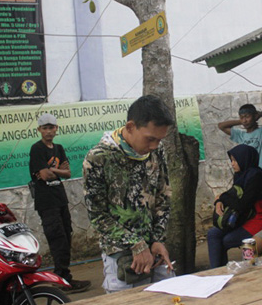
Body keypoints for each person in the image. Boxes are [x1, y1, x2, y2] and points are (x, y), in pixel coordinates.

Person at [83, 95, 175, 293]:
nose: (154, 146)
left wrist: (158, 238)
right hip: (122, 256)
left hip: (155, 251)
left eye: (159, 140)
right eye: (150, 139)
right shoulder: (99, 158)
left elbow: (163, 197)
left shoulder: (157, 152)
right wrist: (136, 244)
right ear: (131, 126)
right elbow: (98, 215)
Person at [29, 113, 91, 293]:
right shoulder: (37, 149)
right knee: (57, 239)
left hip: (60, 198)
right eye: (45, 128)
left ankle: (65, 276)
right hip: (46, 201)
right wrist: (55, 171)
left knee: (66, 235)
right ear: (39, 130)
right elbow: (45, 175)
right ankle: (61, 280)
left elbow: (68, 173)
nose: (49, 131)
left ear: (56, 128)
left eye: (51, 127)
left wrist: (51, 170)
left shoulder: (59, 148)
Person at [207, 144, 262, 268]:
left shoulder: (256, 177)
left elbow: (242, 205)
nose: (232, 164)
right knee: (213, 234)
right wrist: (219, 201)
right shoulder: (240, 175)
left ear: (244, 159)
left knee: (227, 240)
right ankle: (217, 272)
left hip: (261, 217)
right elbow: (232, 195)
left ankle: (223, 271)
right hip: (245, 216)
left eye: (235, 160)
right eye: (232, 160)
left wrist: (222, 198)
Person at [218, 104, 262, 176]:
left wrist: (259, 115)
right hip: (247, 177)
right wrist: (241, 121)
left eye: (247, 116)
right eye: (242, 117)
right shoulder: (241, 135)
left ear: (254, 116)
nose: (244, 120)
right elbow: (221, 126)